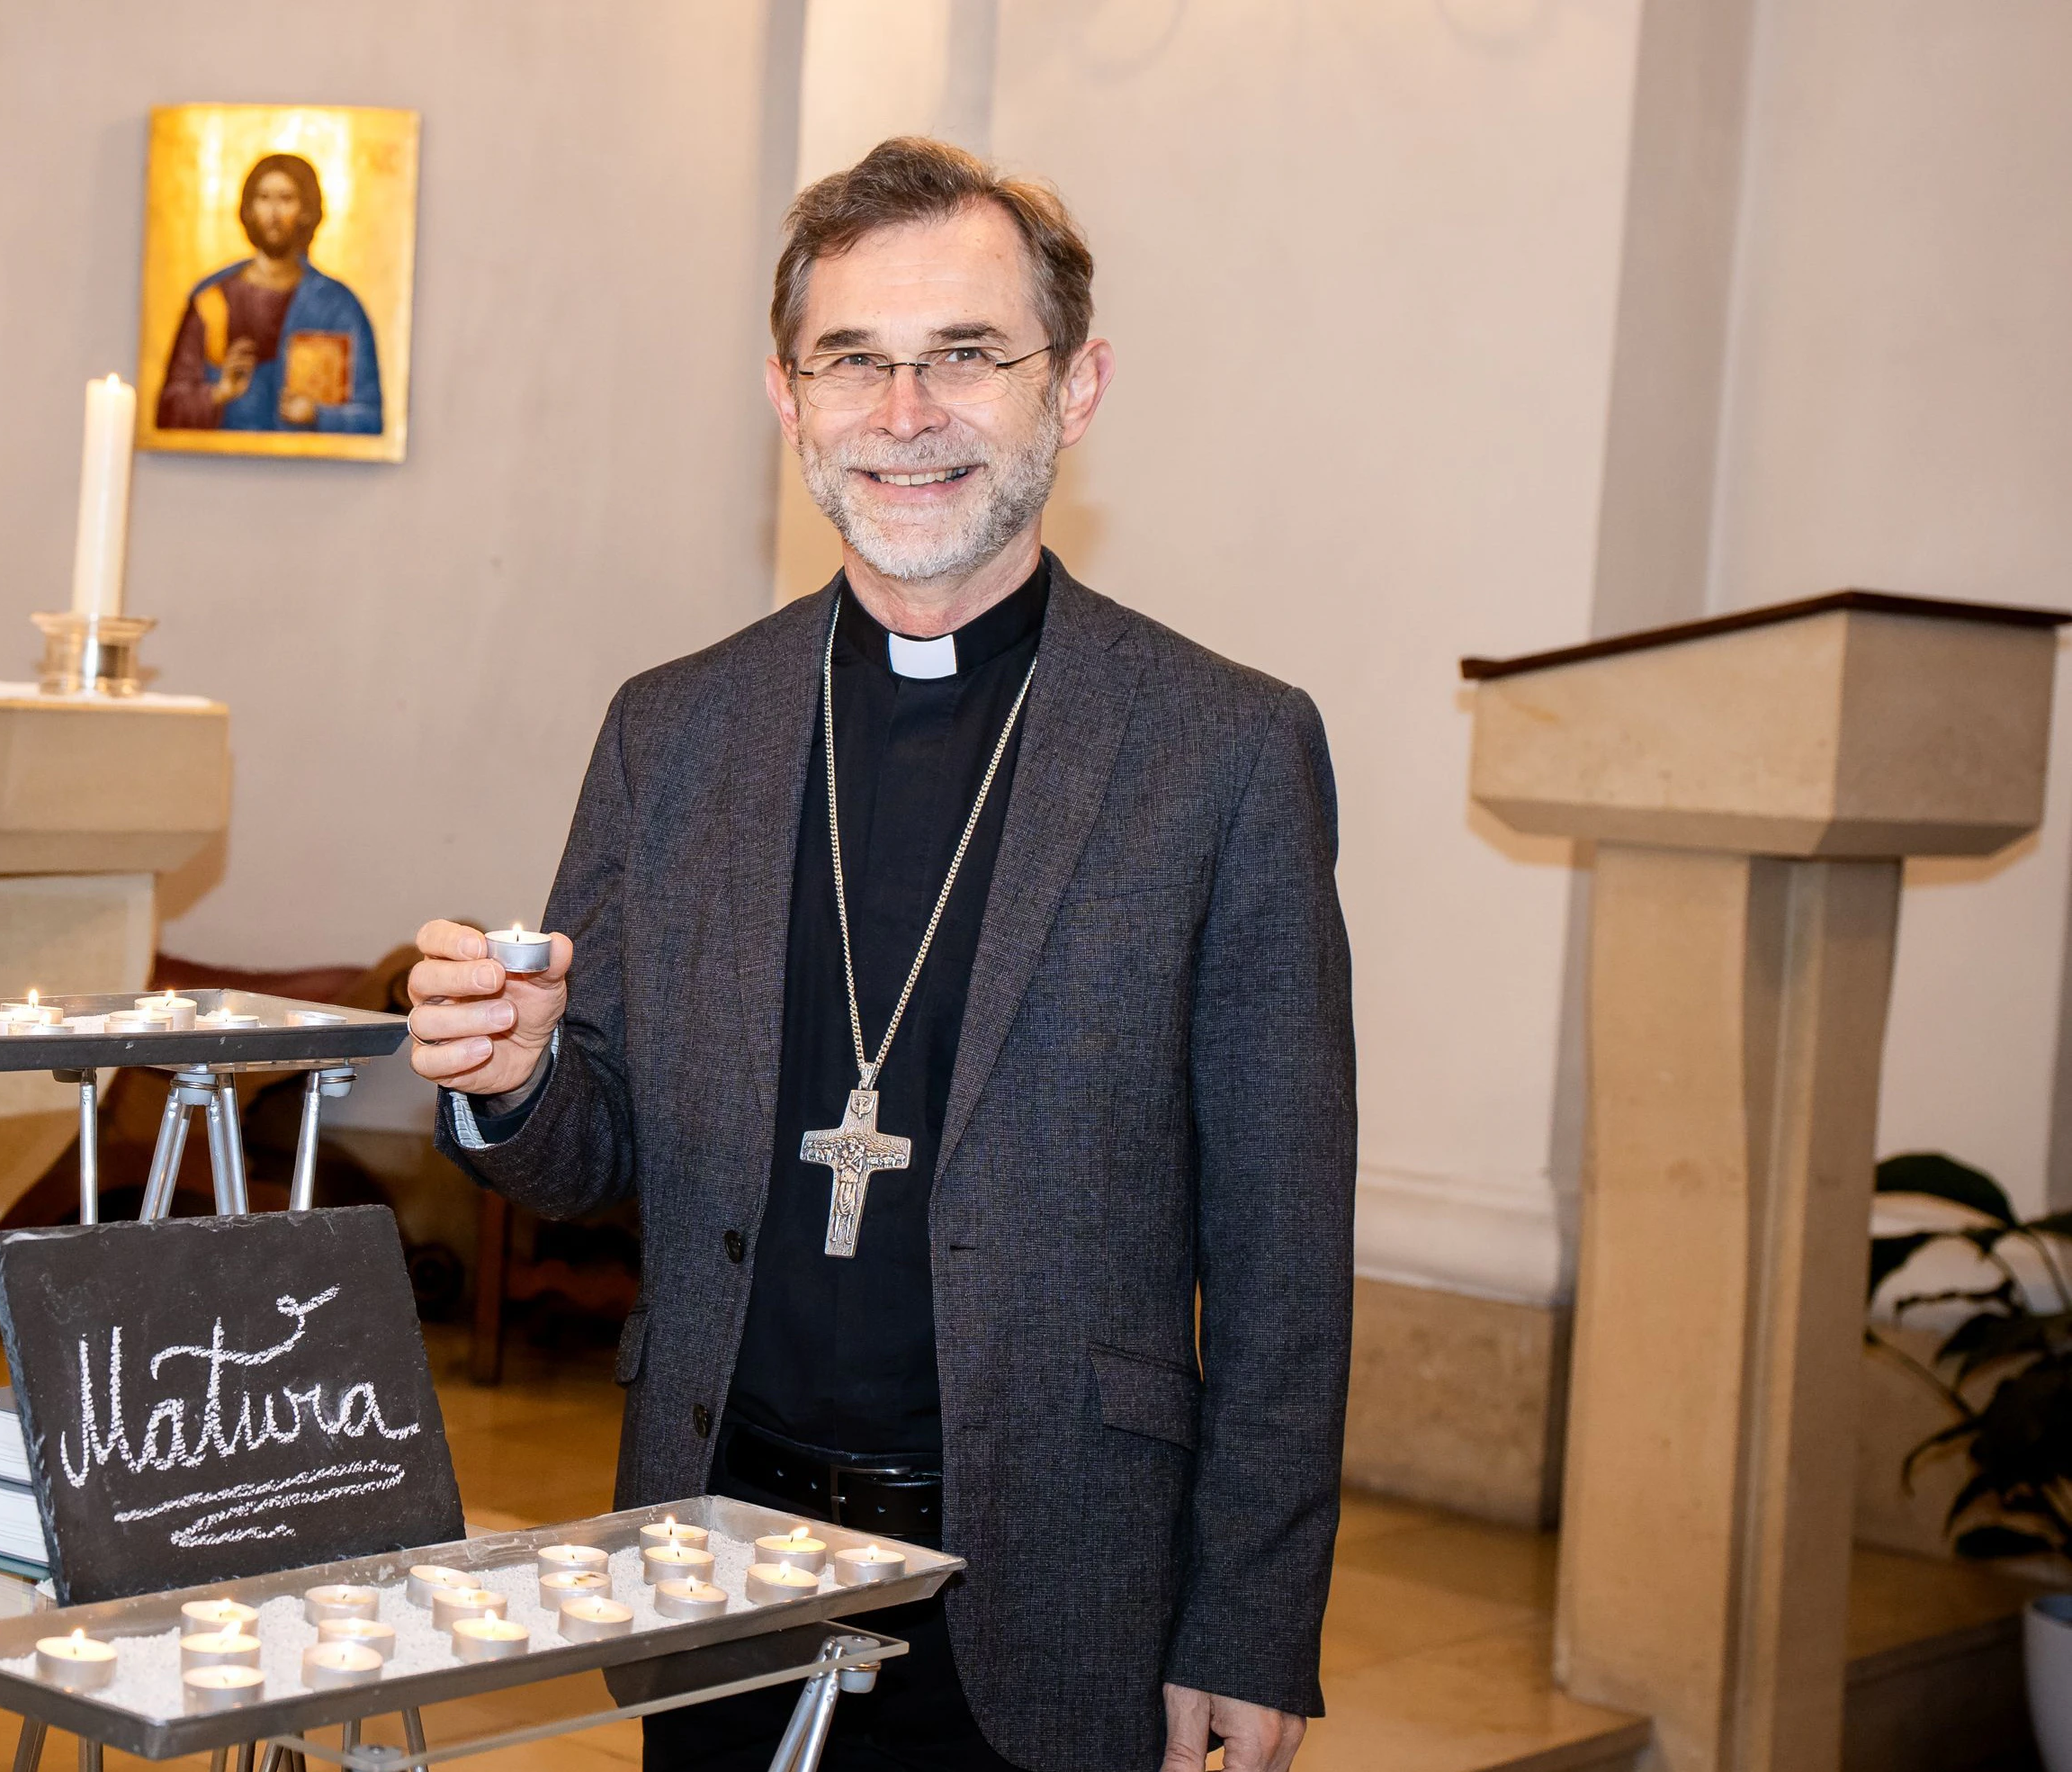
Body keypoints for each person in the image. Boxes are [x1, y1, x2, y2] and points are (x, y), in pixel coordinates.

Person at [411, 137, 1351, 1772]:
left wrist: (1248, 1619)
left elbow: (1283, 1246)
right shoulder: (677, 727)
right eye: (854, 360)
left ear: (1078, 386)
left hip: (1057, 1583)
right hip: (713, 1562)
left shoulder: (1223, 750)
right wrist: (519, 1074)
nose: (905, 414)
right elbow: (590, 1147)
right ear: (787, 396)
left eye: (967, 356)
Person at [154, 151, 383, 434]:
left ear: (307, 210)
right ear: (248, 208)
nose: (274, 213)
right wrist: (219, 393)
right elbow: (168, 409)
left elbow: (372, 417)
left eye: (286, 199)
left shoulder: (337, 306)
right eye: (263, 199)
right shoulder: (213, 300)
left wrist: (319, 415)